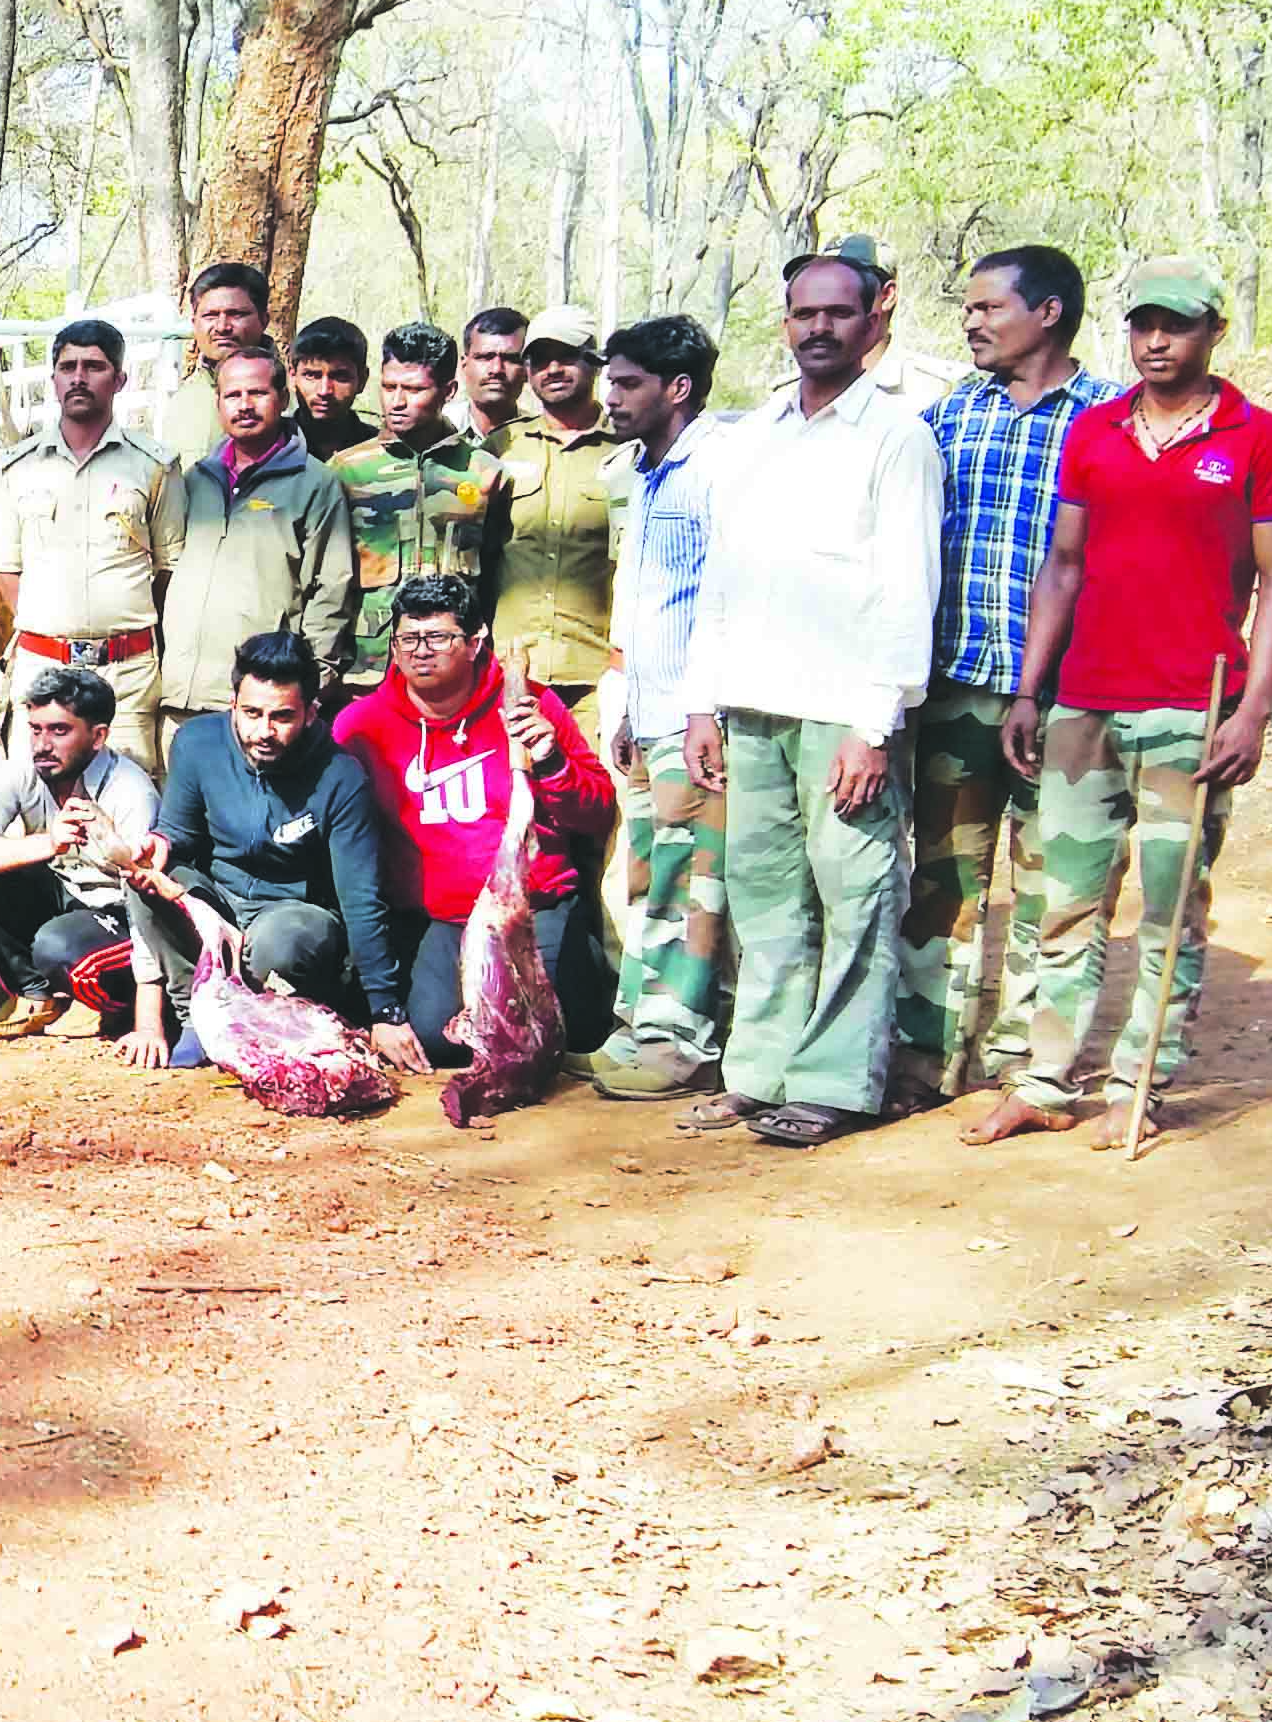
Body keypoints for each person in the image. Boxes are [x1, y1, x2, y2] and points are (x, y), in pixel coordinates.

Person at [969, 258, 1272, 1150]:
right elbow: (1064, 565)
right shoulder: (1097, 432)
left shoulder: (1257, 438)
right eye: (1144, 324)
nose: (1156, 342)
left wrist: (1252, 710)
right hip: (1084, 706)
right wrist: (1031, 690)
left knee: (1169, 907)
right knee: (1065, 907)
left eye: (1178, 326)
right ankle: (1044, 1081)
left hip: (1190, 711)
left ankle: (1138, 1084)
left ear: (1213, 334)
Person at [676, 236, 944, 1148]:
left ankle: (834, 1081)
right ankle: (759, 1072)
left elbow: (910, 586)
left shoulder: (897, 436)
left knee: (856, 892)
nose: (819, 328)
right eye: (804, 313)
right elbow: (722, 579)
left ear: (875, 319)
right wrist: (701, 702)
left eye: (838, 311)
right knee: (763, 895)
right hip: (751, 704)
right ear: (784, 323)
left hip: (843, 711)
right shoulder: (752, 439)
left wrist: (876, 724)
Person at [899, 247, 1120, 1109]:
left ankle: (1027, 1064)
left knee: (1055, 883)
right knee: (945, 880)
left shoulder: (1108, 418)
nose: (972, 321)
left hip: (1071, 695)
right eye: (969, 307)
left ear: (1050, 312)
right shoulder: (950, 414)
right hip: (958, 685)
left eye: (990, 306)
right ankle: (927, 1059)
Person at [338, 575, 615, 1073]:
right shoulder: (362, 726)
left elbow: (595, 812)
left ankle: (582, 963)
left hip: (533, 907)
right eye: (408, 639)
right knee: (439, 1041)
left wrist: (551, 759)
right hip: (444, 917)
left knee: (544, 1033)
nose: (422, 652)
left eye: (439, 638)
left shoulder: (531, 704)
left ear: (475, 642)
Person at [585, 315, 740, 1101]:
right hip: (644, 708)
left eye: (627, 383)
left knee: (693, 881)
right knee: (647, 872)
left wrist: (703, 708)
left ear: (677, 388)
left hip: (694, 715)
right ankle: (641, 1022)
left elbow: (724, 598)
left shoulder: (718, 468)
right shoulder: (640, 473)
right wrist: (621, 701)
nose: (609, 396)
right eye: (610, 380)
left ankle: (683, 1039)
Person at [137, 630, 400, 1069]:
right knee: (145, 879)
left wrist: (385, 1008)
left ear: (311, 713)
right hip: (218, 899)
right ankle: (195, 1017)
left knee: (284, 942)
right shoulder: (197, 743)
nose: (264, 731)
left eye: (282, 717)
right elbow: (178, 833)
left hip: (291, 909)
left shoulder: (340, 777)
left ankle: (263, 1018)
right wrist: (160, 844)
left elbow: (360, 899)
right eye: (252, 713)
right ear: (232, 704)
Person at [0, 318, 179, 766]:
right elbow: (6, 569)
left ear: (120, 379)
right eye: (67, 366)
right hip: (41, 665)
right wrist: (56, 625)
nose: (78, 377)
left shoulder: (154, 467)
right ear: (53, 379)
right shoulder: (19, 468)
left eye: (94, 367)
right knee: (40, 796)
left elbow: (169, 568)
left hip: (126, 673)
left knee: (132, 792)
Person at [151, 348, 354, 760]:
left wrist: (307, 685)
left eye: (257, 393)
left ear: (282, 398)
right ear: (218, 404)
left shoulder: (315, 484)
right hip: (178, 699)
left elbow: (331, 592)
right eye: (232, 395)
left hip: (262, 705)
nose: (244, 405)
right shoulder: (193, 480)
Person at [0, 662, 161, 1039]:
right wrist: (47, 843)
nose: (43, 745)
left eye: (59, 731)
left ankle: (104, 1003)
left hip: (122, 914)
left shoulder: (131, 791)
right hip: (66, 896)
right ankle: (37, 996)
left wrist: (149, 1018)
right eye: (35, 730)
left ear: (98, 737)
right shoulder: (25, 770)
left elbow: (150, 903)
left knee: (57, 944)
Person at [327, 322, 498, 676]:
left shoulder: (483, 472)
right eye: (389, 387)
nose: (397, 401)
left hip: (455, 665)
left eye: (414, 389)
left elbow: (499, 574)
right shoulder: (347, 470)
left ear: (448, 391)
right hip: (368, 664)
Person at [486, 304, 623, 714]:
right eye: (540, 360)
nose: (553, 369)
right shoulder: (501, 447)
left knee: (595, 780)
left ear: (595, 364)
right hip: (511, 668)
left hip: (597, 673)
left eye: (567, 357)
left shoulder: (629, 450)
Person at [153, 260, 276, 462]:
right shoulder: (183, 402)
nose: (222, 327)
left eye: (236, 314)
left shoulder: (293, 396)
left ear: (264, 320)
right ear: (194, 323)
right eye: (210, 316)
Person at [287, 317, 377, 461]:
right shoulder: (269, 446)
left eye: (339, 377)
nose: (324, 391)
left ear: (362, 379)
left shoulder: (380, 452)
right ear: (292, 377)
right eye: (312, 375)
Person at [459, 307, 530, 436]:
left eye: (510, 359)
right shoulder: (436, 433)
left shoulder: (539, 439)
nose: (496, 369)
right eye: (485, 357)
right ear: (464, 365)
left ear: (527, 370)